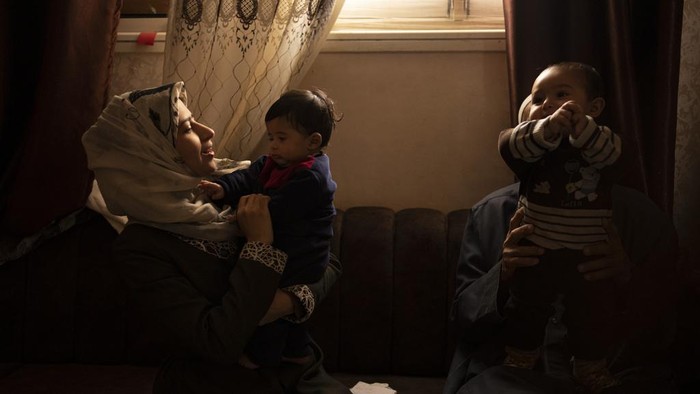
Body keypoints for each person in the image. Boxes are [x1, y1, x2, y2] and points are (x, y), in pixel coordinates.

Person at [82, 81, 351, 394]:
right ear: (151, 152)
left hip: (300, 374)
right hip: (221, 382)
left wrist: (288, 301)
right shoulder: (140, 248)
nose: (208, 130)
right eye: (186, 128)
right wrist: (259, 246)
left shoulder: (228, 186)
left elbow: (327, 261)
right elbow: (217, 342)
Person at [443, 92, 680, 394]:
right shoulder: (490, 213)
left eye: (563, 101)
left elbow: (664, 330)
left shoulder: (642, 217)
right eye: (537, 104)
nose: (549, 110)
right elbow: (463, 321)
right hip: (508, 378)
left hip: (615, 376)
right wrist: (503, 274)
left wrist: (624, 274)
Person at [497, 62, 622, 392]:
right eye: (538, 98)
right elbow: (513, 146)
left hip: (586, 251)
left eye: (561, 95)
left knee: (591, 312)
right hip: (537, 247)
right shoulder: (534, 141)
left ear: (594, 107)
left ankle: (590, 364)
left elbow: (611, 156)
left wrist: (583, 129)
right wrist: (548, 127)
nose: (548, 103)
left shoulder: (599, 139)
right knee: (525, 307)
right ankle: (521, 356)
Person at [198, 88, 340, 369]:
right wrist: (223, 188)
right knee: (286, 313)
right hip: (284, 247)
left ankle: (262, 358)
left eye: (282, 138)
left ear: (313, 142)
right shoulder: (272, 163)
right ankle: (298, 351)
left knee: (270, 307)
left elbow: (275, 211)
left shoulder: (313, 177)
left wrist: (240, 216)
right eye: (271, 137)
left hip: (304, 254)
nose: (273, 145)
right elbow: (246, 177)